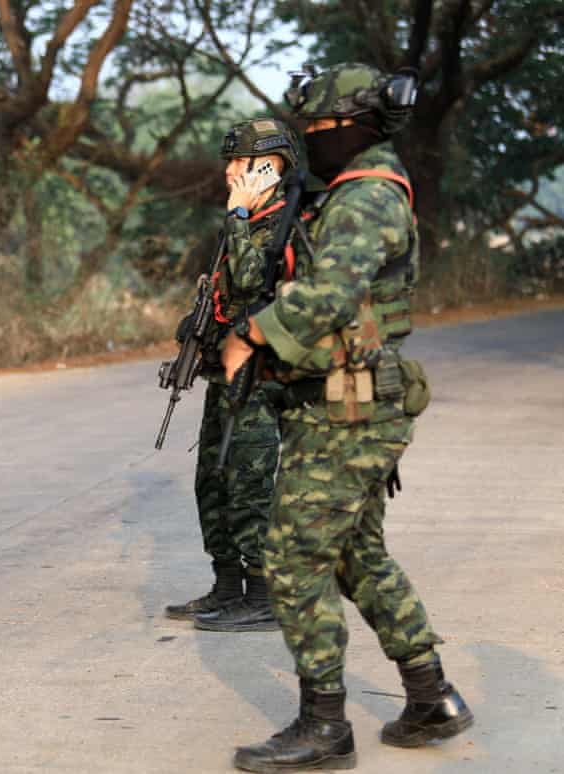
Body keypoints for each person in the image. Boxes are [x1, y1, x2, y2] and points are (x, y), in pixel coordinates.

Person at [221, 64, 473, 771]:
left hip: (349, 409)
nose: (310, 142)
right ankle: (431, 697)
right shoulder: (348, 192)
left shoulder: (365, 198)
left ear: (349, 129)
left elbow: (328, 297)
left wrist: (251, 337)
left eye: (317, 131)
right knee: (357, 554)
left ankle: (324, 727)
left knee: (295, 557)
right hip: (347, 401)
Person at [165, 118, 297, 634]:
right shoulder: (242, 222)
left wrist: (239, 216)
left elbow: (250, 281)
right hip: (225, 375)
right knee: (212, 481)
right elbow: (225, 295)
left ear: (268, 165)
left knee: (249, 485)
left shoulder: (281, 223)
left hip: (261, 378)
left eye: (238, 162)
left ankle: (262, 595)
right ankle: (226, 586)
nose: (228, 171)